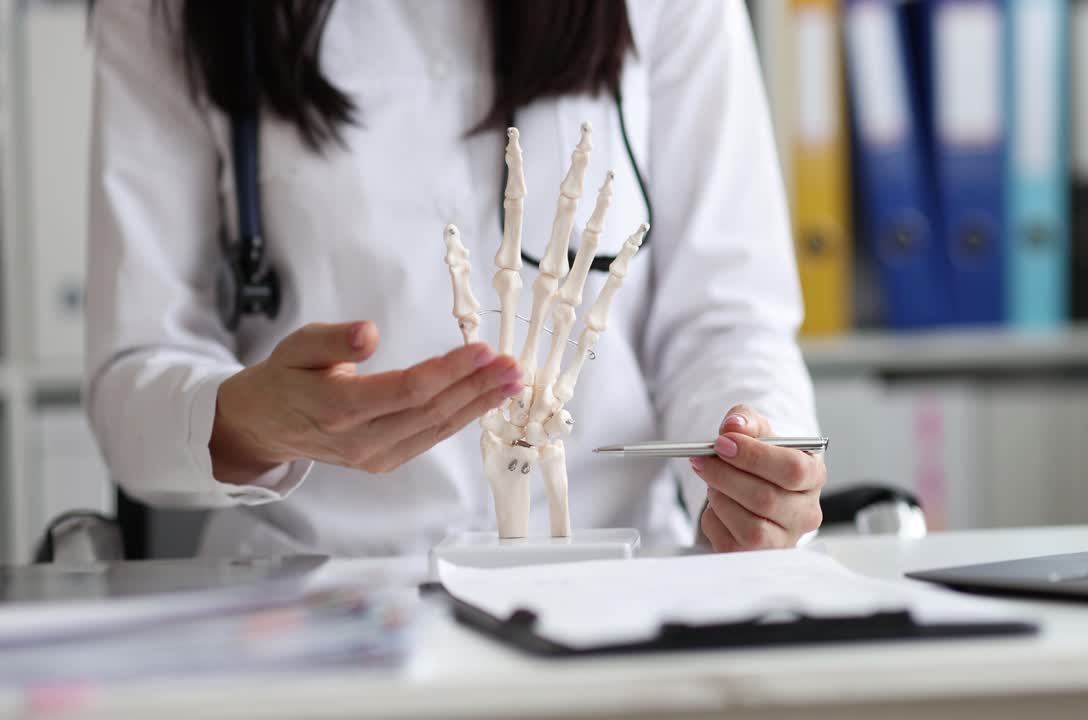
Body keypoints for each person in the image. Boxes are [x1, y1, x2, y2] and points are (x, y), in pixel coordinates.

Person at [87, 0, 824, 557]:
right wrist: (244, 421)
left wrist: (757, 453)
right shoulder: (162, 12)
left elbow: (729, 319)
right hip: (314, 596)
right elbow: (134, 371)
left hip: (621, 578)